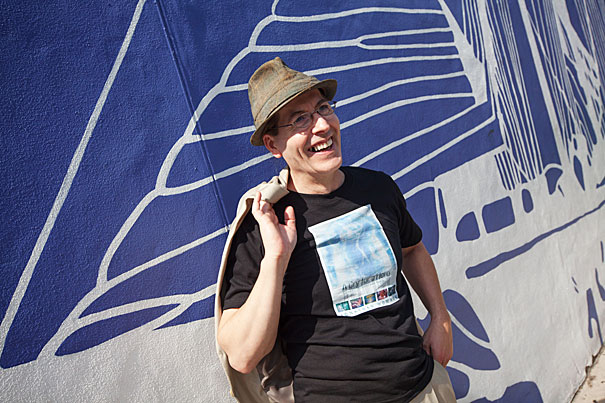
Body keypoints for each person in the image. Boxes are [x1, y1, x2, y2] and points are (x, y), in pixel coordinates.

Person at [216, 57, 455, 402]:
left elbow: (413, 249)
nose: (322, 125)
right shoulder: (264, 224)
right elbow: (242, 355)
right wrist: (276, 259)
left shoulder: (378, 188)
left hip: (421, 389)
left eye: (323, 108)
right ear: (273, 145)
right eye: (300, 119)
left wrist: (440, 316)